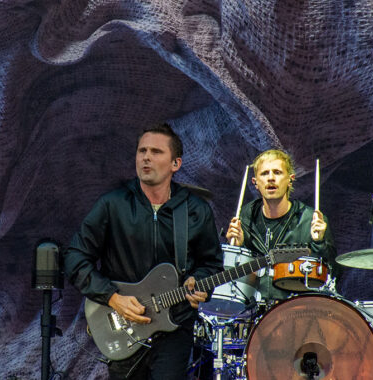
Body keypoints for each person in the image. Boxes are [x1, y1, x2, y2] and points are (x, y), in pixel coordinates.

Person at [64, 123, 224, 380]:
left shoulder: (195, 210)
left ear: (176, 164)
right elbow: (74, 258)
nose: (146, 157)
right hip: (124, 326)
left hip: (175, 326)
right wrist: (112, 297)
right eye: (142, 151)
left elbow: (211, 264)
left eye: (156, 152)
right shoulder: (112, 204)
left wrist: (200, 280)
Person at [225, 149, 337, 301]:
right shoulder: (244, 217)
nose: (271, 178)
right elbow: (234, 280)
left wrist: (319, 243)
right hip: (254, 310)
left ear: (290, 179)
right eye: (264, 173)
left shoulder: (310, 219)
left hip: (296, 308)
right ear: (255, 183)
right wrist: (237, 248)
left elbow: (332, 274)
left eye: (277, 172)